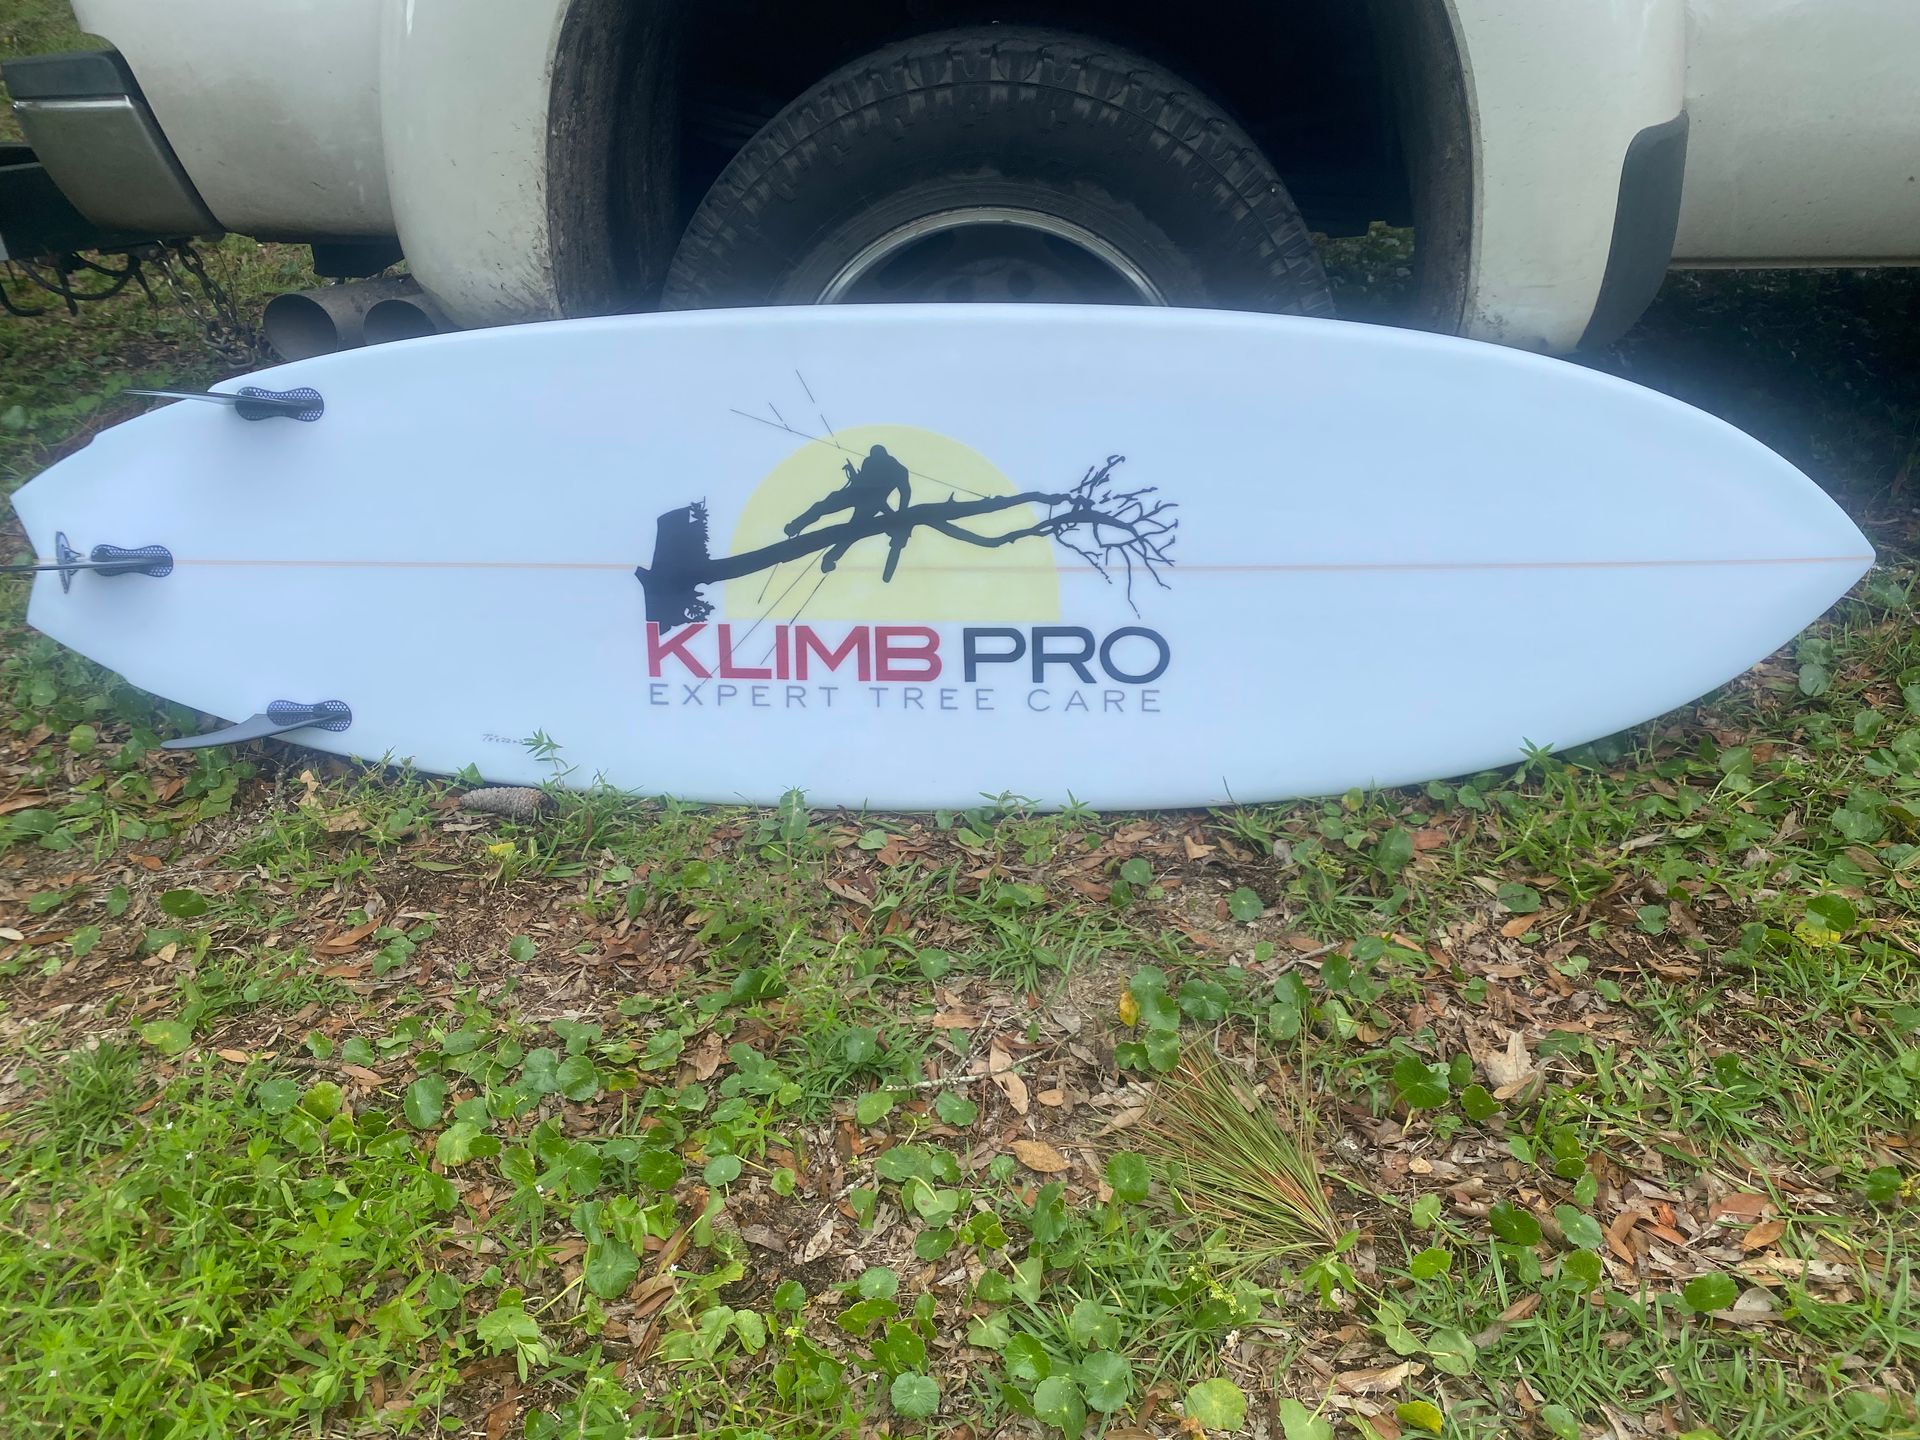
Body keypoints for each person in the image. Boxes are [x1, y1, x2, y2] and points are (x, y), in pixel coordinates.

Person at [784, 444, 914, 579]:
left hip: (870, 501)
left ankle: (828, 557)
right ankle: (796, 527)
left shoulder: (898, 470)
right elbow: (864, 481)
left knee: (851, 531)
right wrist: (853, 474)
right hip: (859, 495)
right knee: (827, 511)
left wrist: (900, 516)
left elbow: (905, 492)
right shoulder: (872, 462)